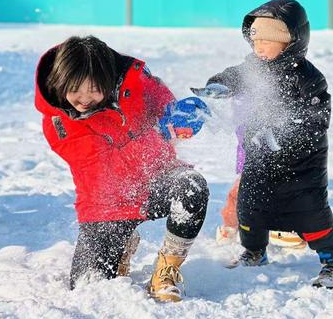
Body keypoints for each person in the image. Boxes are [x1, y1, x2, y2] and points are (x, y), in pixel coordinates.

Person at [35, 35, 210, 302]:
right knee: (89, 289)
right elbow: (106, 168)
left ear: (108, 80)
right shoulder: (58, 123)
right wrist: (157, 133)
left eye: (93, 89)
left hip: (156, 179)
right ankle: (124, 242)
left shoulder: (136, 83)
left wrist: (177, 118)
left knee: (191, 186)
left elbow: (163, 104)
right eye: (75, 90)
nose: (84, 99)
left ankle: (167, 268)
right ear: (60, 83)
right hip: (107, 203)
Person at [195, 0, 333, 288]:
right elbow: (234, 76)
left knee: (311, 213)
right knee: (250, 206)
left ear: (291, 41)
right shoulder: (253, 67)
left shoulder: (309, 78)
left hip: (301, 166)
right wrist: (219, 84)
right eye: (255, 41)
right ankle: (254, 251)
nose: (259, 48)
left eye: (267, 41)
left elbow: (315, 120)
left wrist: (279, 135)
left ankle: (332, 261)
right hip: (259, 157)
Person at [216, 125, 306, 249]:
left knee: (282, 183)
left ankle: (282, 225)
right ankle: (230, 226)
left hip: (279, 151)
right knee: (244, 189)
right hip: (253, 150)